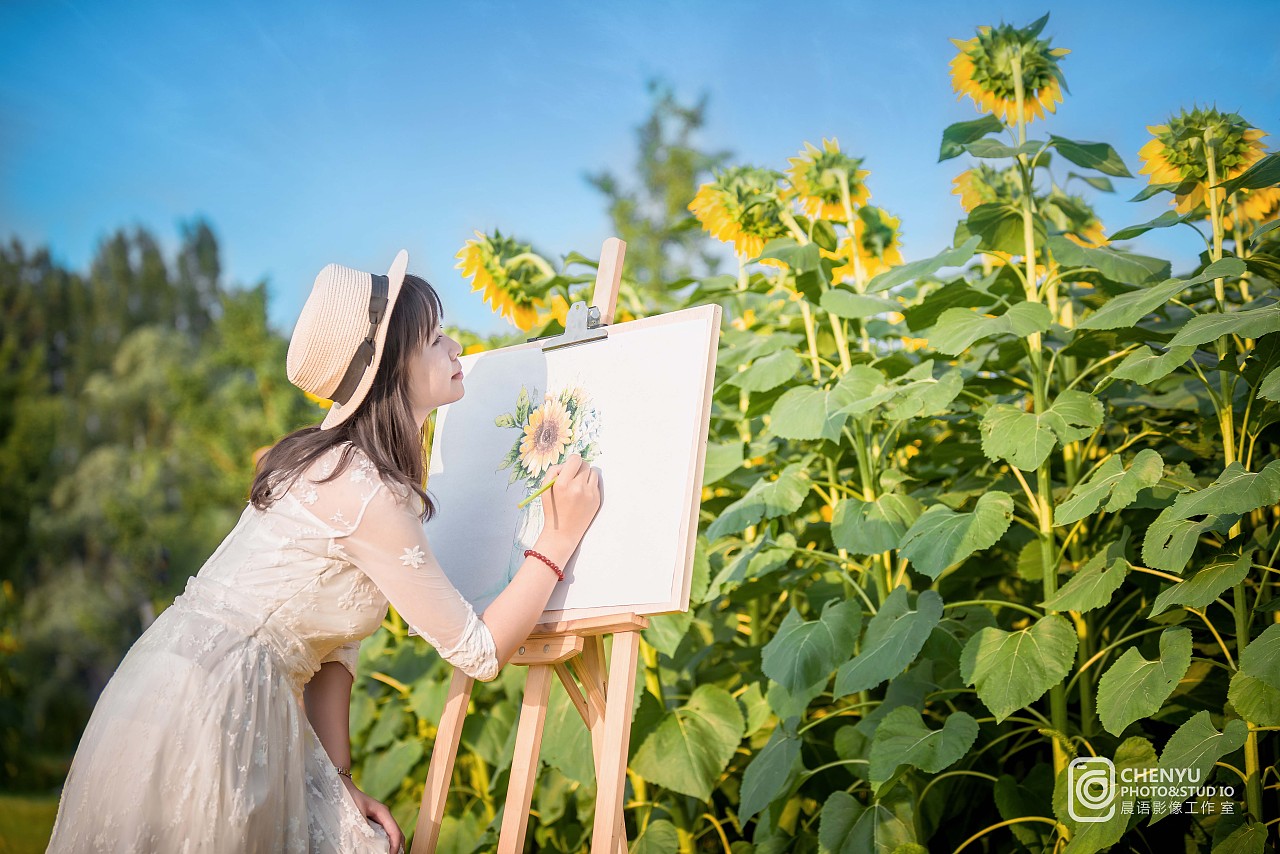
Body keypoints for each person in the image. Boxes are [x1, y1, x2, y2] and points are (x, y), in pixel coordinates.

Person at [46, 250, 603, 853]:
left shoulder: (334, 463)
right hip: (216, 710)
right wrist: (557, 539)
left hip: (188, 683)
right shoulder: (364, 489)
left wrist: (338, 781)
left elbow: (337, 649)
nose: (456, 346)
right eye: (436, 338)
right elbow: (478, 650)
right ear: (393, 368)